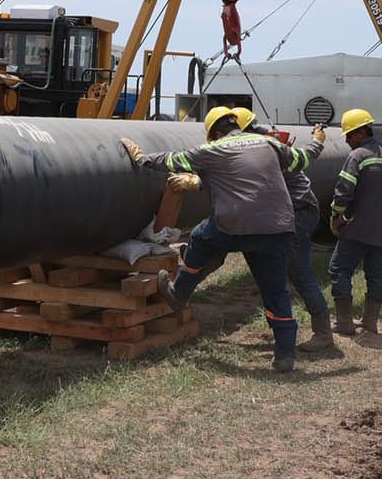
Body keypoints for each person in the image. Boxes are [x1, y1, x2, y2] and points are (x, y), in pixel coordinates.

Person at [121, 106, 312, 372]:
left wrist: (141, 158)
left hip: (236, 224)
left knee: (199, 237)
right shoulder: (268, 142)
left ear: (215, 132)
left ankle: (180, 292)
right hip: (277, 228)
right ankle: (285, 355)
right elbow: (302, 159)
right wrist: (317, 142)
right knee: (275, 290)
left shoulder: (213, 150)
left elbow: (172, 161)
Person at [237, 109, 336, 353]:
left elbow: (304, 156)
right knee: (273, 268)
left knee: (299, 272)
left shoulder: (261, 149)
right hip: (289, 212)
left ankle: (323, 333)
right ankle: (281, 325)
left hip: (297, 213)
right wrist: (316, 140)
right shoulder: (265, 141)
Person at [328, 107, 382, 336]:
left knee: (339, 269)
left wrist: (336, 217)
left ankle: (344, 323)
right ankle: (370, 322)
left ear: (359, 133)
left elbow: (343, 192)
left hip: (358, 228)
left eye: (348, 135)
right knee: (375, 274)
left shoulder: (356, 156)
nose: (348, 141)